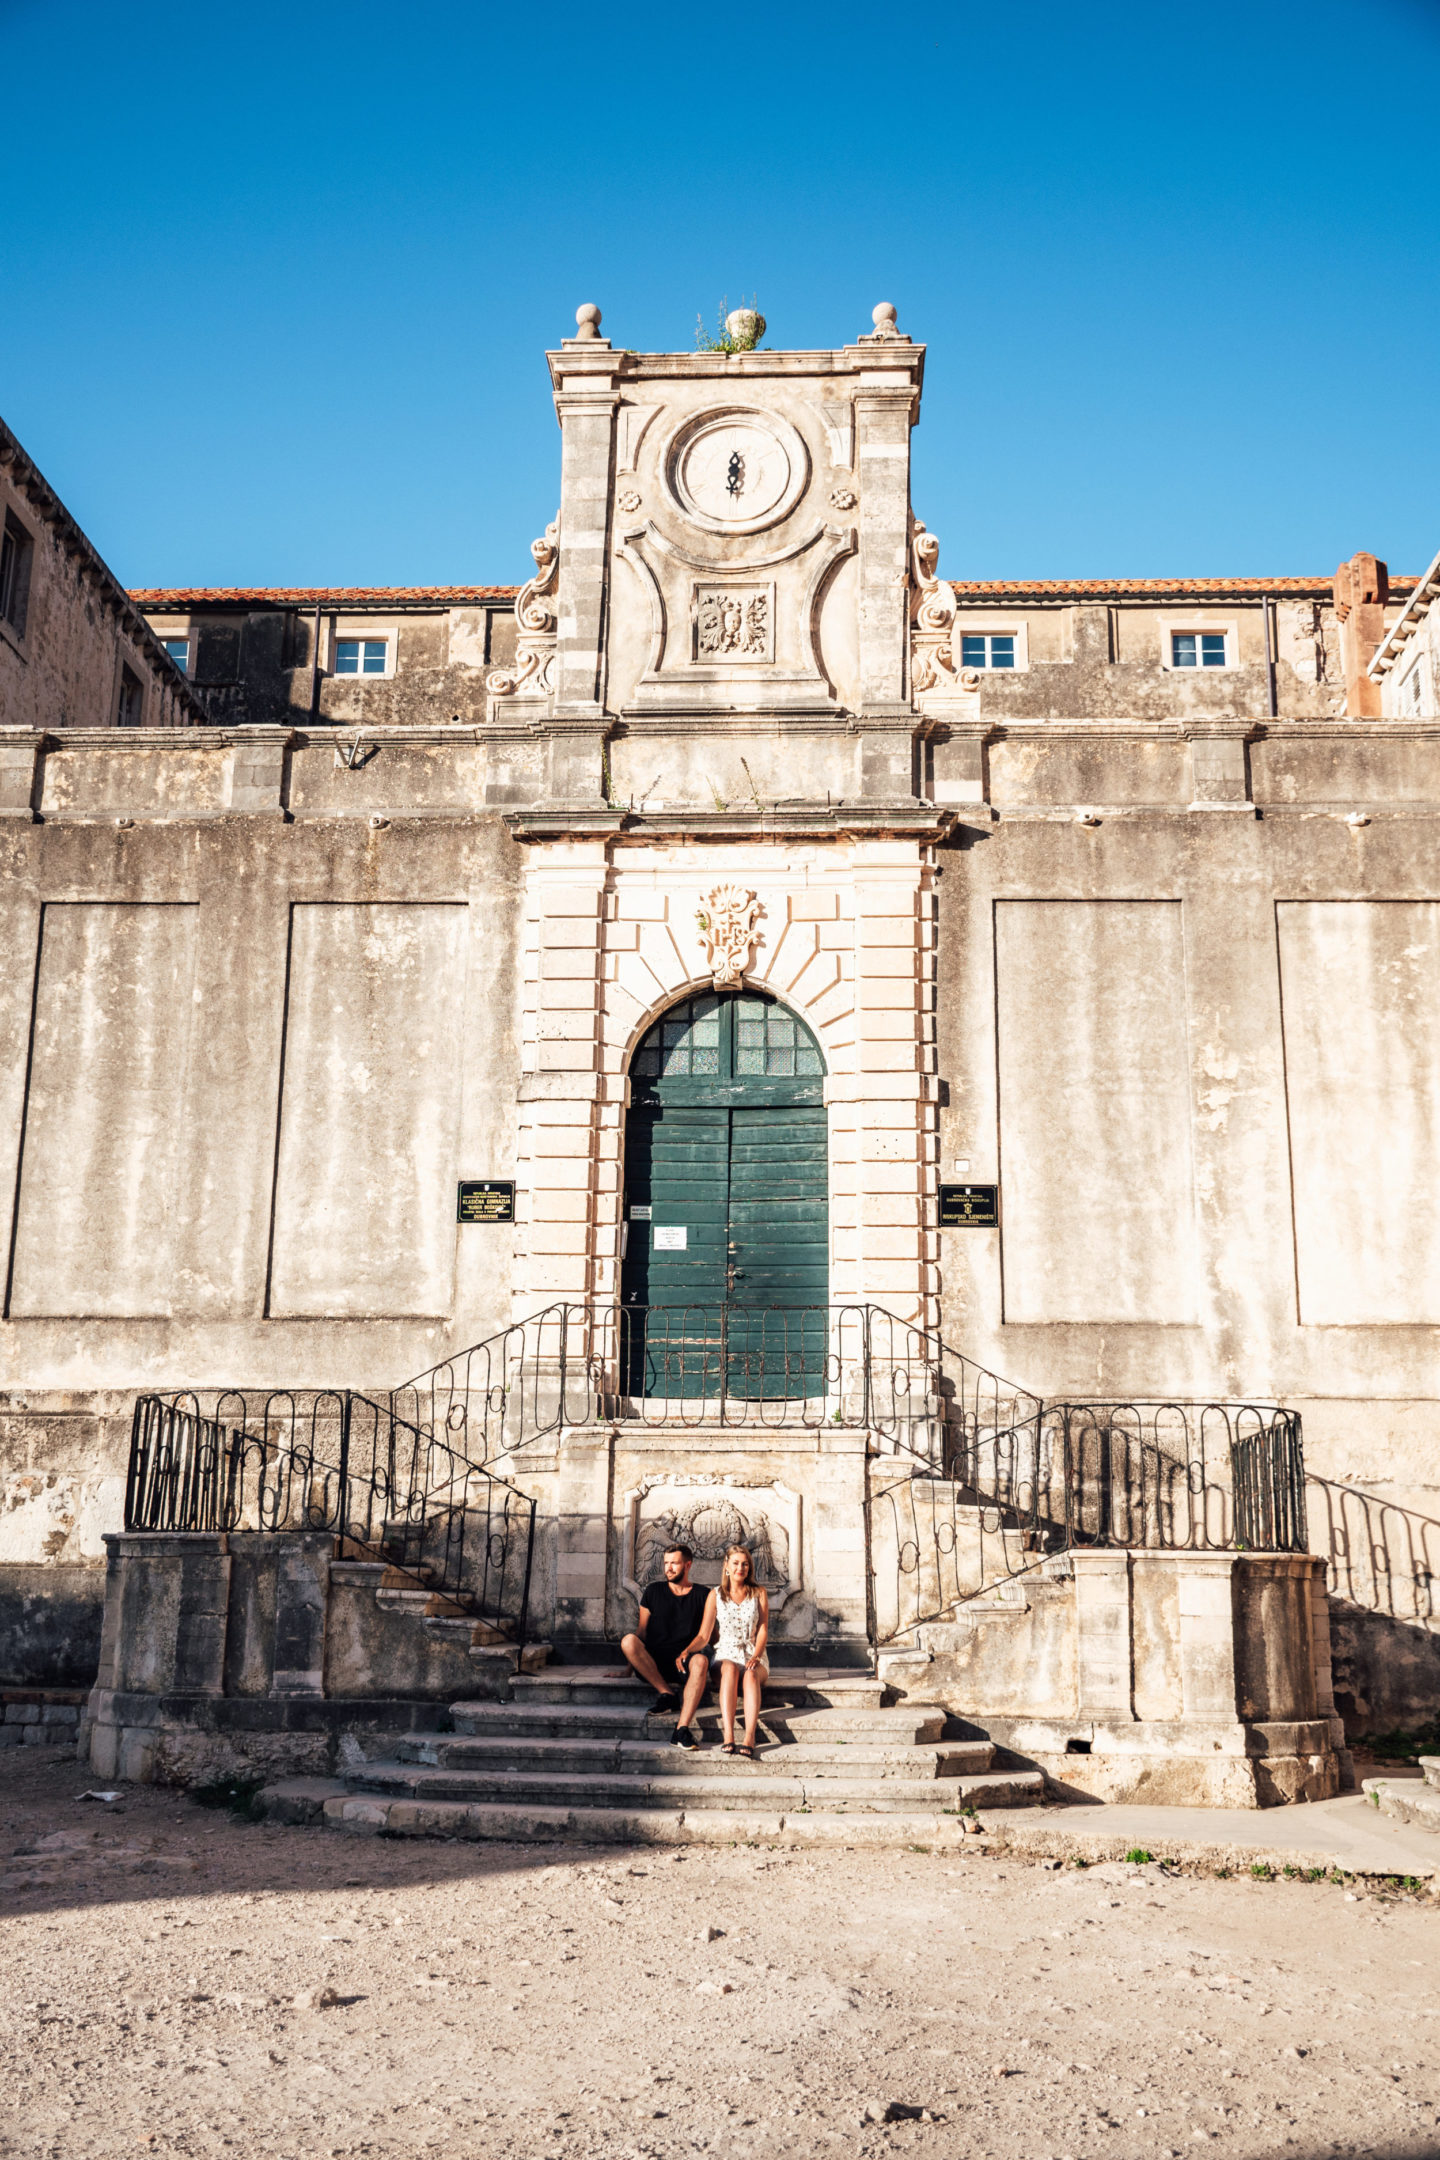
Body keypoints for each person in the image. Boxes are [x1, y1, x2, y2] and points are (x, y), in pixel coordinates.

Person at [619, 1543, 711, 1748]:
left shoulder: (703, 1595)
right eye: (666, 1563)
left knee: (702, 1659)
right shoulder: (653, 1591)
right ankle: (667, 1693)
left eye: (674, 1563)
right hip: (654, 1664)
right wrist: (628, 1669)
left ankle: (681, 1729)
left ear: (688, 1565)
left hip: (685, 1665)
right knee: (628, 1640)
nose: (668, 1568)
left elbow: (709, 1637)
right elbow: (641, 1632)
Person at [704, 1543, 769, 1760]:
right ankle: (728, 1735)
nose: (741, 1568)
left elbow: (762, 1628)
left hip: (753, 1652)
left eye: (745, 1564)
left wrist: (757, 1655)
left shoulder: (759, 1593)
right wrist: (686, 1651)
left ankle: (749, 1736)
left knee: (750, 1674)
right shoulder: (715, 1595)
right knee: (729, 1667)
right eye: (736, 1563)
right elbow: (704, 1634)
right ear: (727, 1567)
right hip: (725, 1653)